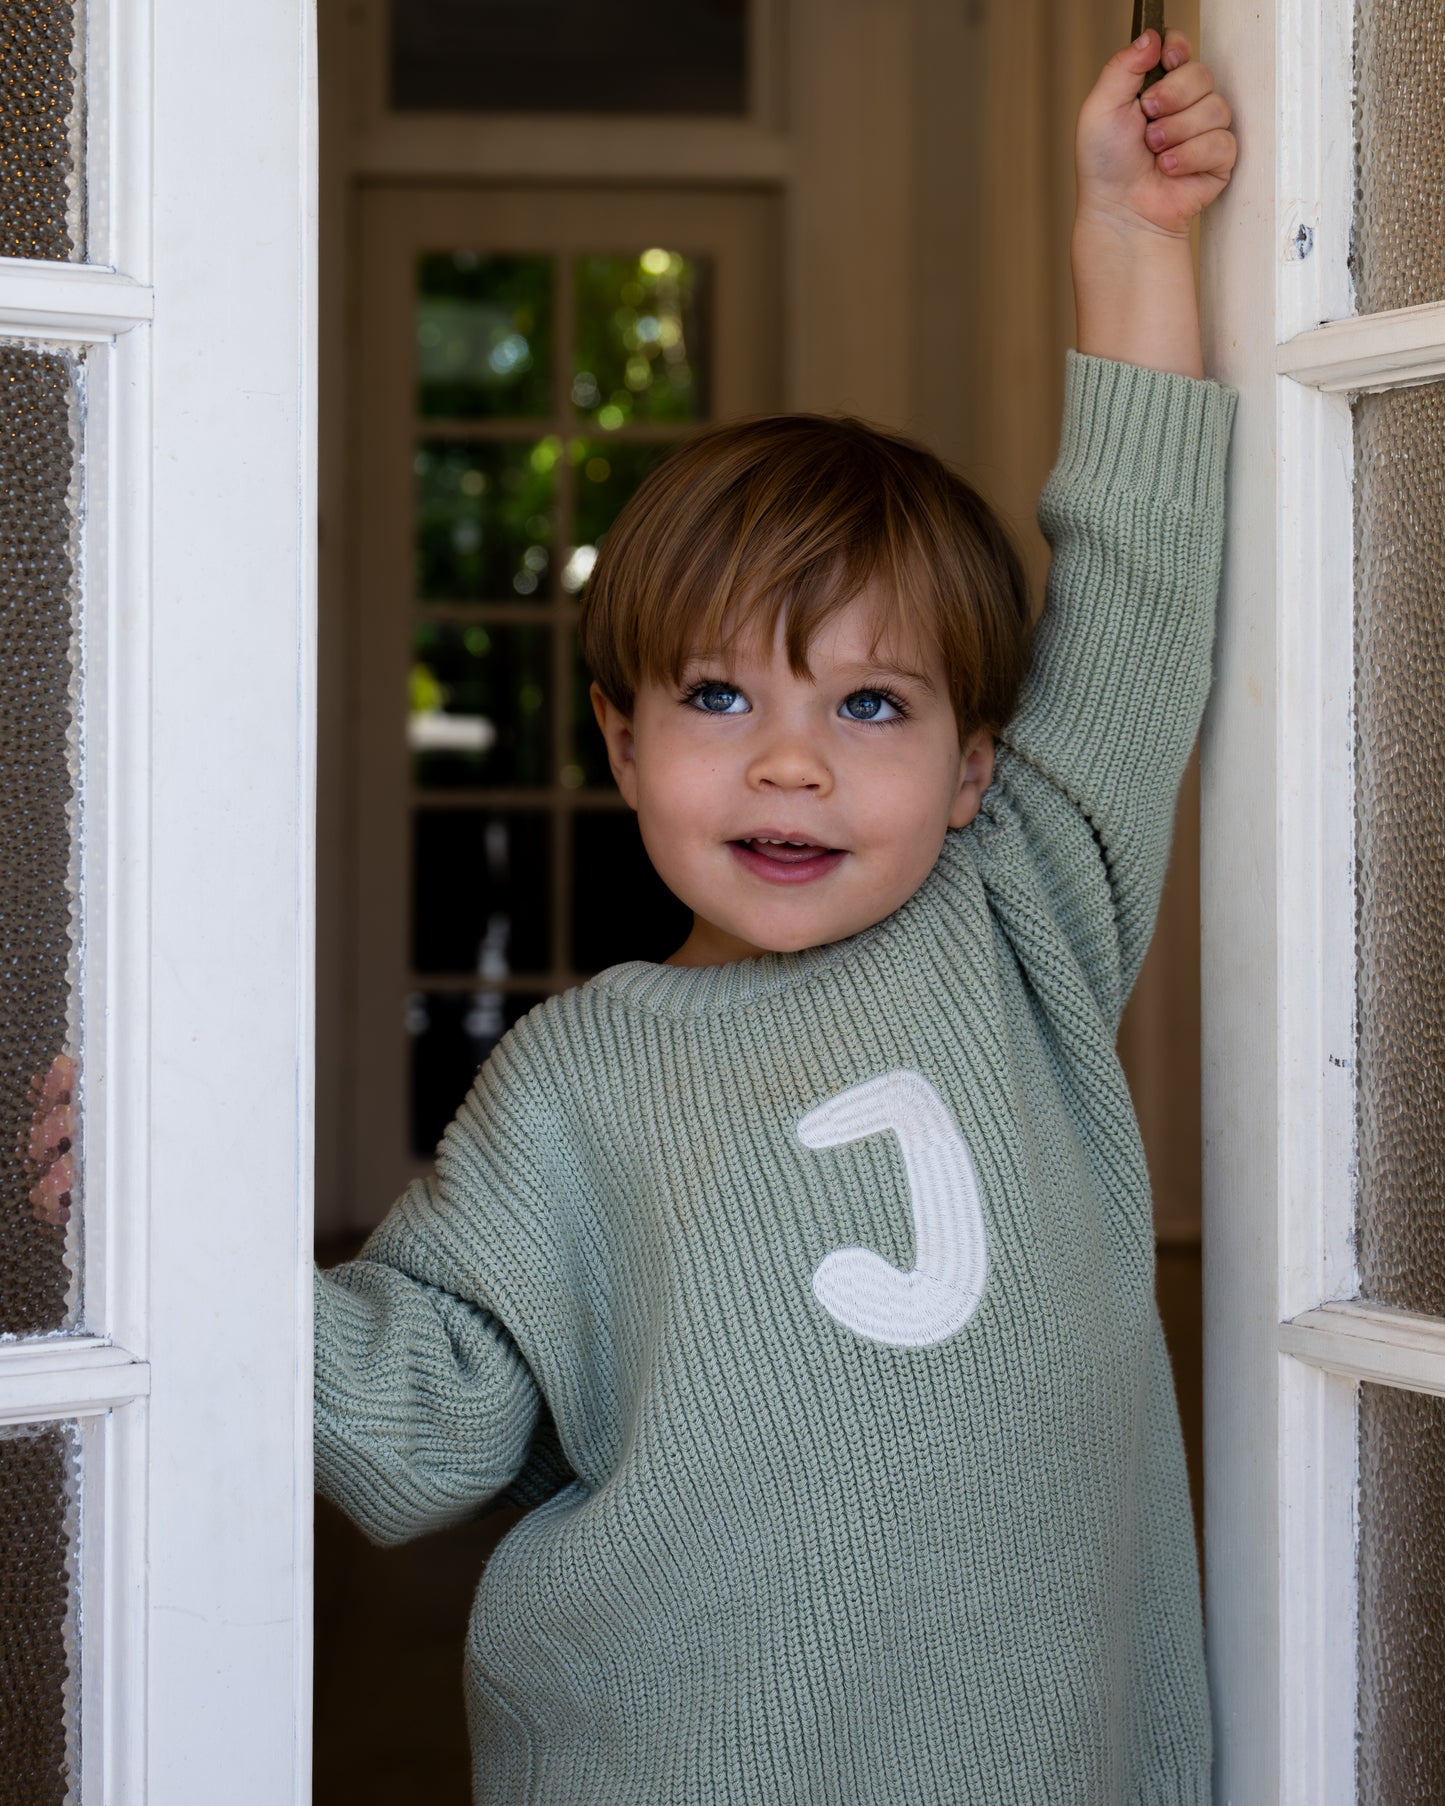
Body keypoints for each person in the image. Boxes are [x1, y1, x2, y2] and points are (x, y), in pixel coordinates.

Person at [312, 29, 1238, 1805]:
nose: (792, 768)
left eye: (871, 707)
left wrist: (1129, 232)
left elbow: (1133, 569)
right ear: (618, 738)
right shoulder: (569, 1084)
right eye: (720, 700)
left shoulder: (1022, 915)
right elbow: (417, 1432)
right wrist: (158, 1215)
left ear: (980, 765)